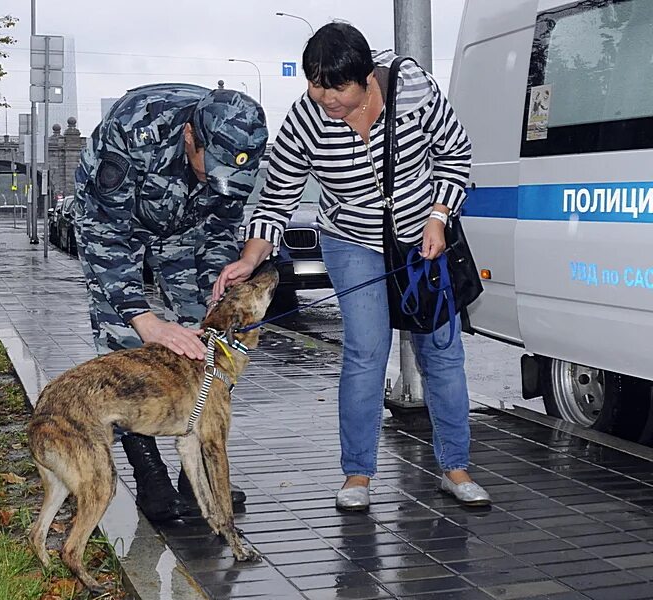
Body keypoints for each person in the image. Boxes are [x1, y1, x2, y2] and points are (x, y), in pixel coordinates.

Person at [213, 22, 490, 510]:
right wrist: (250, 257)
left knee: (442, 355)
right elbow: (277, 198)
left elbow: (456, 155)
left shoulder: (414, 94)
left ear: (366, 79)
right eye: (316, 86)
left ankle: (455, 467)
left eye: (337, 88)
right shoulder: (306, 118)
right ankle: (357, 474)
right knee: (365, 351)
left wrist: (439, 217)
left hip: (421, 237)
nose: (326, 99)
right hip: (351, 240)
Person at [74, 84, 268, 522]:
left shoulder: (240, 145)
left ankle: (194, 470)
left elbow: (219, 223)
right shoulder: (133, 131)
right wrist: (145, 320)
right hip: (119, 221)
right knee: (123, 341)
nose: (214, 177)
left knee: (213, 342)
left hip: (184, 230)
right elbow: (103, 235)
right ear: (188, 136)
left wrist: (220, 287)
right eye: (208, 166)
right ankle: (151, 479)